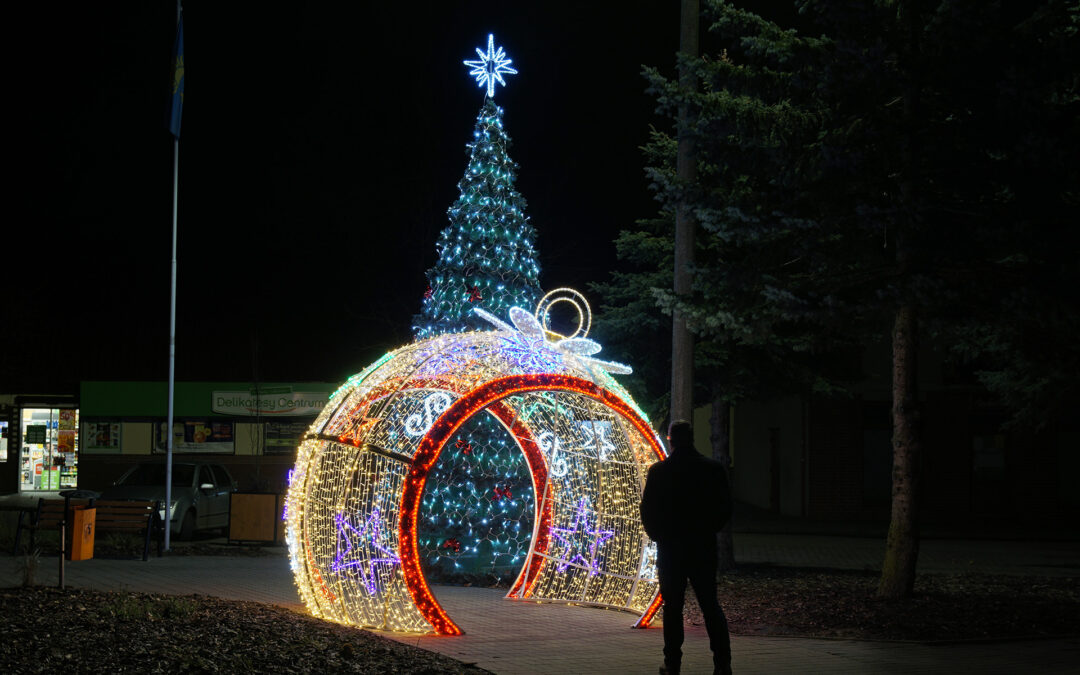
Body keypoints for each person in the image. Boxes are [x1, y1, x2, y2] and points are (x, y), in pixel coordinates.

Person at [640, 419, 733, 675]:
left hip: (671, 549)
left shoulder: (659, 471)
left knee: (673, 608)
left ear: (670, 439)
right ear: (691, 438)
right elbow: (725, 507)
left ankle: (673, 664)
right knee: (710, 605)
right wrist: (708, 529)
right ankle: (722, 664)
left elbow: (647, 510)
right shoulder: (712, 469)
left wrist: (659, 535)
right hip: (702, 547)